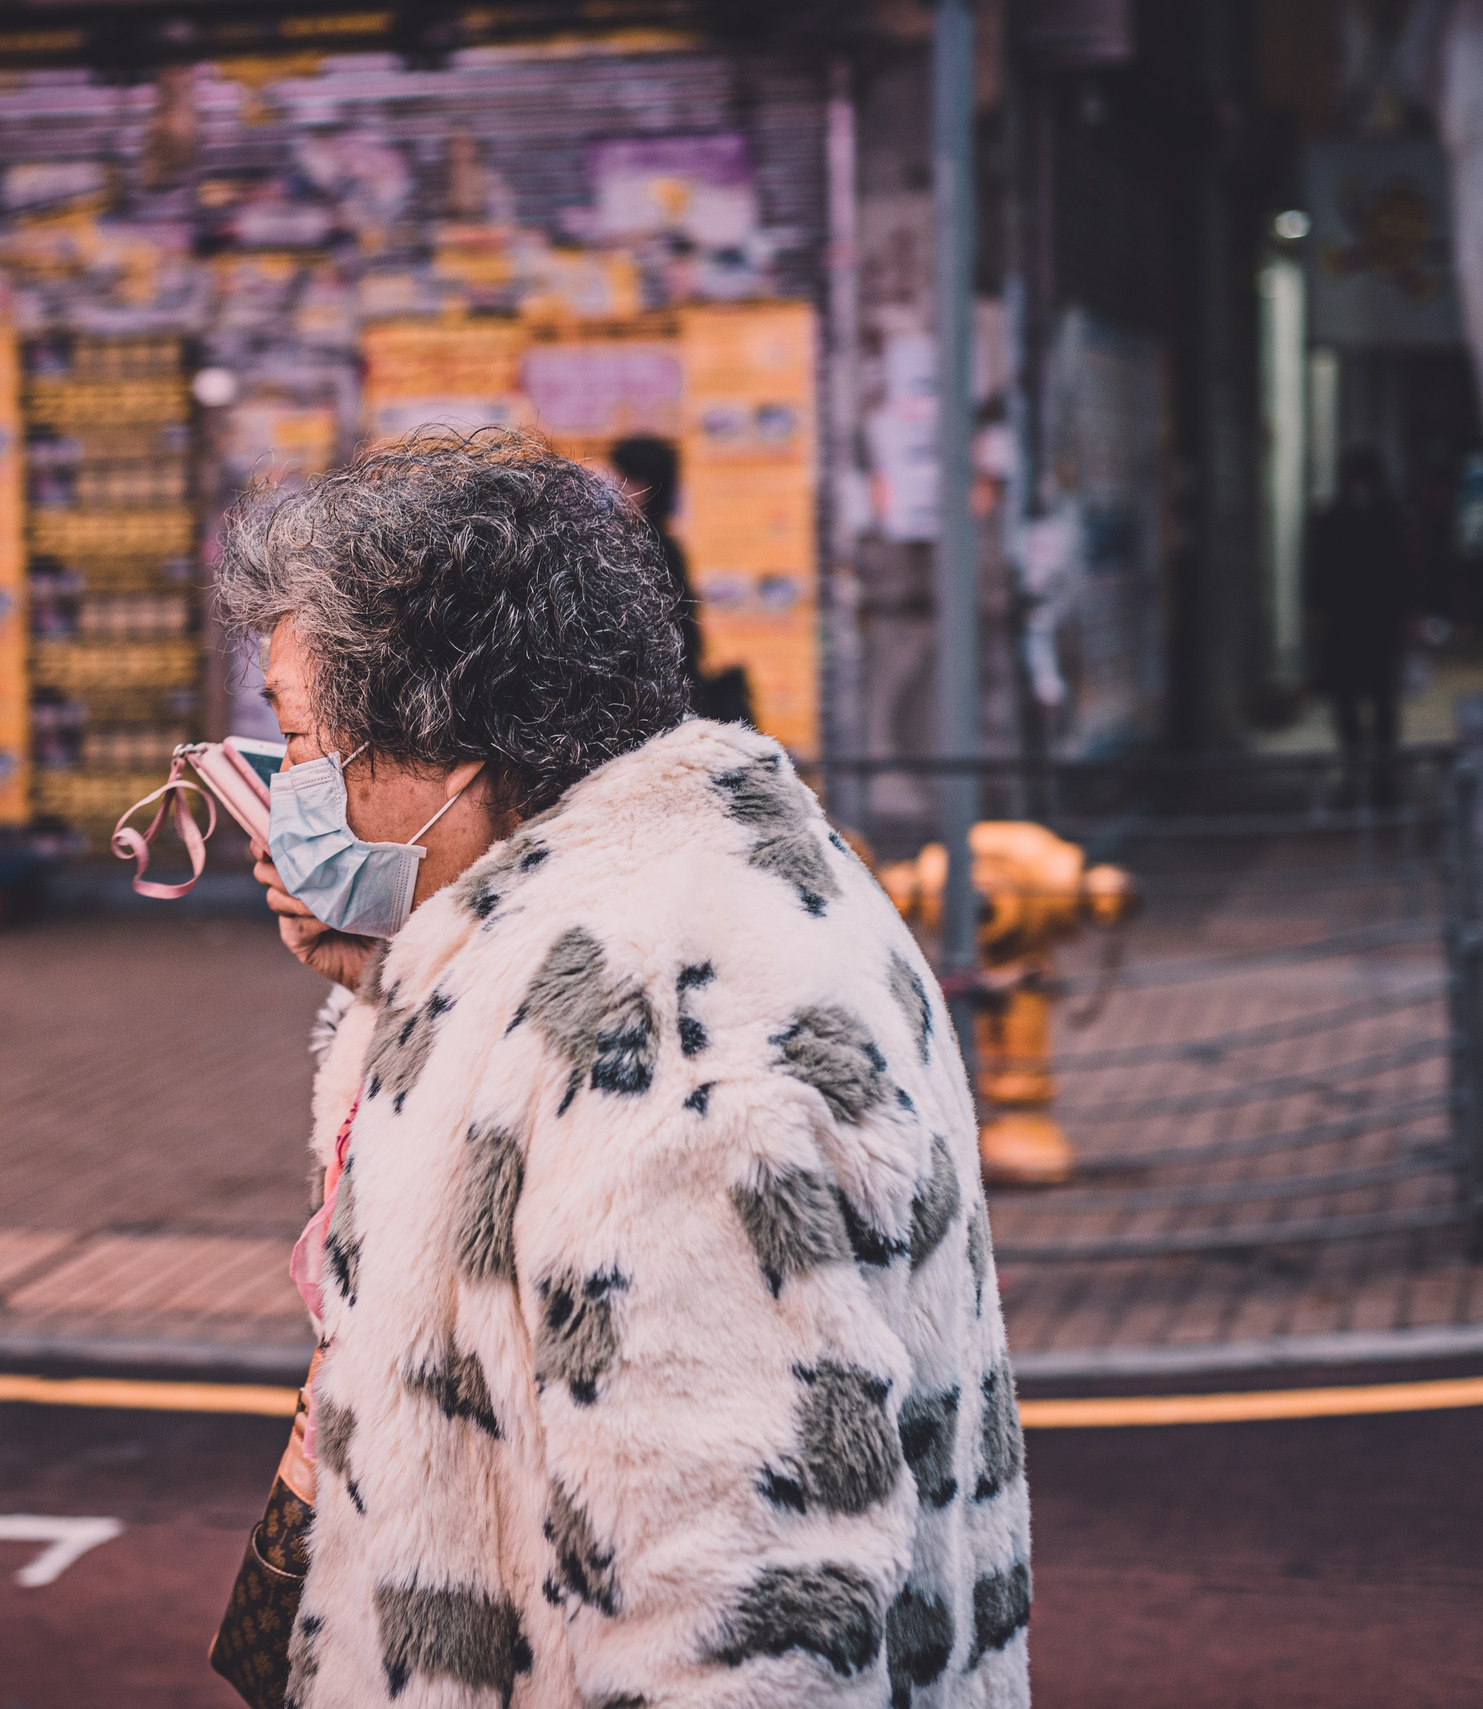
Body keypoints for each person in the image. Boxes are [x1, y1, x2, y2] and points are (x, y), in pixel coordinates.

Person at [207, 431, 1028, 1708]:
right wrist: (402, 978)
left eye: (301, 738)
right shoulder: (627, 928)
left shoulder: (663, 1035)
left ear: (449, 748)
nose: (282, 790)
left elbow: (748, 1628)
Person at [608, 434, 754, 725]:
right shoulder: (661, 546)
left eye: (624, 478)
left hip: (655, 699)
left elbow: (677, 635)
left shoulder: (647, 548)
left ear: (647, 486)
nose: (615, 488)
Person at [1304, 446, 1415, 806]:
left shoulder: (1385, 518)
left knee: (1379, 704)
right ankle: (1358, 774)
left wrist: (1408, 614)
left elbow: (1403, 571)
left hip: (1373, 625)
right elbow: (1319, 570)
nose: (1360, 486)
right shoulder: (1338, 519)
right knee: (1351, 705)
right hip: (1348, 625)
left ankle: (1381, 779)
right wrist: (1317, 610)